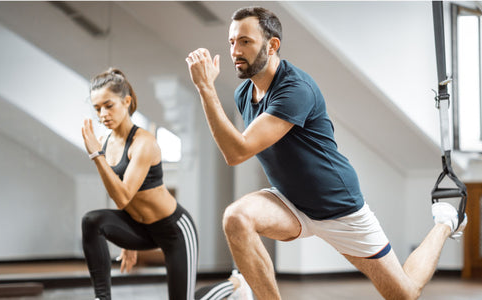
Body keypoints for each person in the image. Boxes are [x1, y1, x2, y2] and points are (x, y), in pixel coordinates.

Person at [185, 6, 467, 300]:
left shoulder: (295, 89)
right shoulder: (244, 93)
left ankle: (446, 220)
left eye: (245, 41)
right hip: (290, 203)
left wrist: (206, 88)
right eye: (232, 42)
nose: (235, 51)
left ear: (272, 45)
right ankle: (249, 291)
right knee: (236, 218)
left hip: (338, 207)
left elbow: (237, 152)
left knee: (404, 293)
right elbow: (242, 148)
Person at [80, 68, 253, 300]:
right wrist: (126, 241)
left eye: (109, 105)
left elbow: (122, 195)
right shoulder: (104, 142)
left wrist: (96, 155)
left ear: (126, 101)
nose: (102, 114)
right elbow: (122, 196)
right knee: (92, 221)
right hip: (141, 228)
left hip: (174, 230)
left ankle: (235, 284)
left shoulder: (144, 143)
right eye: (97, 108)